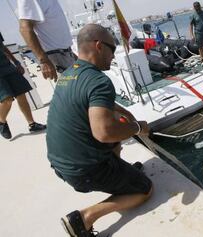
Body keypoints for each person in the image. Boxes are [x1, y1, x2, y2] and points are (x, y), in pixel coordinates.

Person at [46, 24, 152, 236]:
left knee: (116, 124)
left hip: (61, 163)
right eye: (112, 49)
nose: (114, 56)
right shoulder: (99, 80)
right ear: (98, 46)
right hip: (84, 170)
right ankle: (83, 218)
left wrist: (126, 114)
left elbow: (94, 102)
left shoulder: (68, 74)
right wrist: (138, 127)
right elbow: (104, 132)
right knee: (145, 188)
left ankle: (119, 170)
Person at [0, 32, 46, 140]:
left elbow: (3, 47)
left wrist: (16, 62)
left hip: (8, 67)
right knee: (7, 99)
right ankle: (1, 121)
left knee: (22, 94)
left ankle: (32, 124)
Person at [17, 0, 76, 82]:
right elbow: (25, 28)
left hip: (66, 54)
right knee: (73, 92)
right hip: (57, 58)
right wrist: (43, 60)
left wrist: (70, 53)